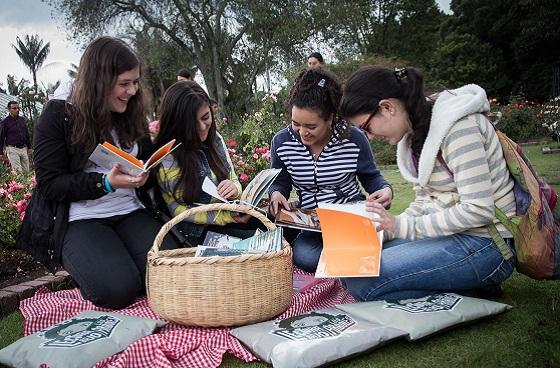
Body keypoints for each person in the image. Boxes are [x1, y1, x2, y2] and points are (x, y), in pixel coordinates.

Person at [16, 36, 178, 309]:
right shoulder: (58, 115)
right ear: (99, 81)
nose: (132, 91)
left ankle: (123, 264)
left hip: (130, 210)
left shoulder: (132, 112)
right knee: (117, 290)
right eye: (124, 84)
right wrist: (105, 183)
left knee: (172, 273)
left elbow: (143, 159)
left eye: (136, 82)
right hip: (82, 219)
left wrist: (144, 173)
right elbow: (50, 184)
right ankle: (105, 267)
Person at [339, 65, 517, 301]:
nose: (369, 137)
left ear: (387, 107)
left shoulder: (459, 128)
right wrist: (386, 229)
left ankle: (475, 287)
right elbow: (425, 200)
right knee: (355, 264)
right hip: (452, 235)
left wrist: (401, 227)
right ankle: (466, 285)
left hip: (488, 244)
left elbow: (479, 210)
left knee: (365, 282)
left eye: (366, 127)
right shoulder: (415, 132)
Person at [268, 68, 393, 272]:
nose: (302, 133)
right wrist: (276, 194)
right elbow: (280, 181)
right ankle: (356, 257)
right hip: (311, 223)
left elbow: (372, 178)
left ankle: (354, 255)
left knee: (325, 254)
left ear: (330, 118)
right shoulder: (281, 142)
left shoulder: (354, 139)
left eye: (311, 126)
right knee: (304, 255)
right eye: (295, 124)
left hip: (350, 216)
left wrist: (385, 189)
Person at [153, 80, 262, 245]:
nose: (203, 127)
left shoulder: (215, 139)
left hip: (228, 216)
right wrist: (224, 216)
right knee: (258, 244)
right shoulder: (167, 157)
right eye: (192, 125)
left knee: (278, 228)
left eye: (206, 117)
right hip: (195, 231)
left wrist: (234, 189)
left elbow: (232, 177)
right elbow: (176, 210)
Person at [0, 101, 31, 174]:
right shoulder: (5, 122)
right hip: (12, 149)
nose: (17, 110)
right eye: (14, 108)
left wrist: (29, 147)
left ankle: (28, 185)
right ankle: (20, 185)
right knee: (18, 172)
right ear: (9, 109)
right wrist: (0, 152)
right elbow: (1, 137)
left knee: (26, 171)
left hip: (23, 148)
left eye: (18, 108)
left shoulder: (22, 120)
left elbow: (26, 133)